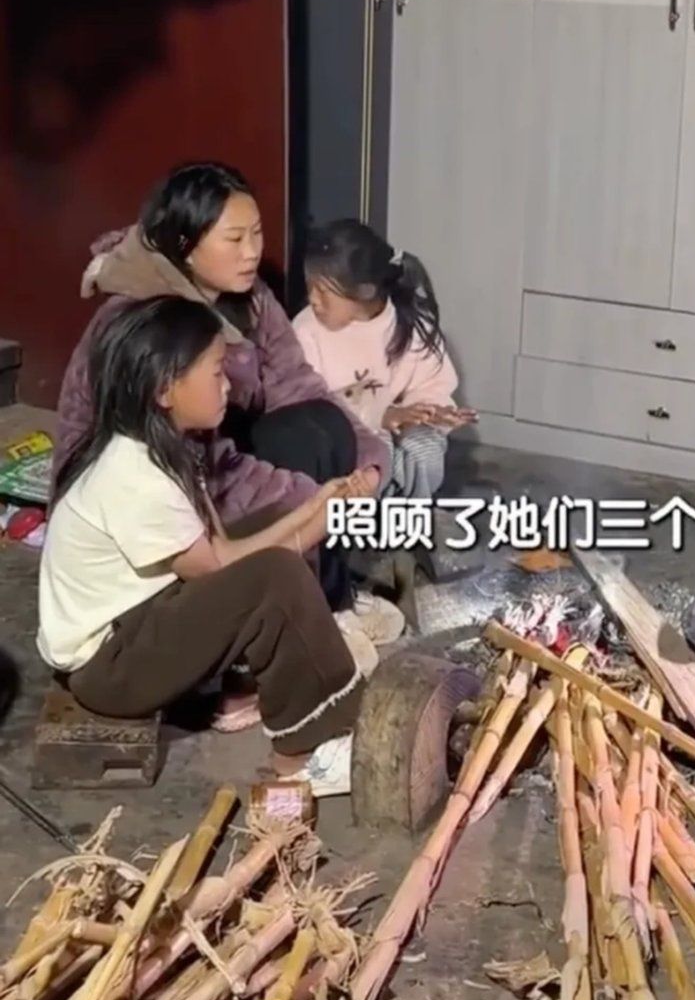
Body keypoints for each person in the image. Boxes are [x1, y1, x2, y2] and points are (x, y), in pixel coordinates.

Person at [40, 296, 378, 796]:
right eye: (217, 372)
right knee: (274, 579)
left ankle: (240, 691)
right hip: (110, 666)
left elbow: (222, 545)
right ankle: (305, 754)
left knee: (267, 528)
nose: (229, 385)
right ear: (164, 389)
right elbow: (222, 569)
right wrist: (320, 526)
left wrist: (311, 510)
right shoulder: (134, 475)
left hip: (138, 619)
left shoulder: (167, 448)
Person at [54, 162, 394, 646]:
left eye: (256, 234)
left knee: (320, 427)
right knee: (310, 468)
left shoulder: (250, 298)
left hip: (222, 455)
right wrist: (313, 500)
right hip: (168, 482)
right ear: (186, 246)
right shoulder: (151, 326)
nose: (253, 252)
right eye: (234, 240)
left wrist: (369, 465)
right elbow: (193, 463)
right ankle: (307, 612)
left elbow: (299, 385)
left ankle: (328, 597)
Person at [294, 219, 475, 505]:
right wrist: (381, 415)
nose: (313, 300)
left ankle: (410, 515)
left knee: (423, 448)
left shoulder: (412, 323)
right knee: (379, 449)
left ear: (365, 290)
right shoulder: (306, 331)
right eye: (310, 288)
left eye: (324, 292)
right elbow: (309, 406)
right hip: (347, 433)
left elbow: (431, 383)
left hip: (403, 428)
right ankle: (370, 522)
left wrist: (429, 412)